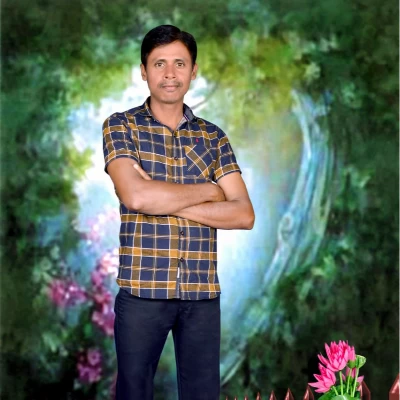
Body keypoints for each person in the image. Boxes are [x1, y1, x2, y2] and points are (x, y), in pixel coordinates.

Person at [102, 24, 255, 400]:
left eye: (179, 63)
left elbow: (243, 215)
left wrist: (165, 200)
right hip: (142, 291)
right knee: (134, 393)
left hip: (201, 295)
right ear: (143, 71)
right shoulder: (121, 126)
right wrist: (210, 192)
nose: (170, 74)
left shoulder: (213, 137)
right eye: (159, 64)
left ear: (193, 71)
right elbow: (137, 197)